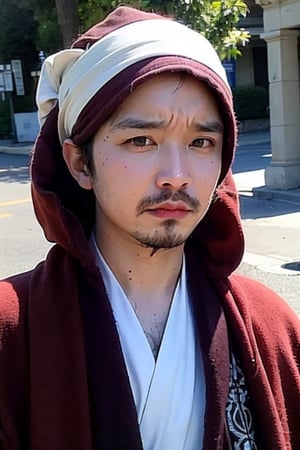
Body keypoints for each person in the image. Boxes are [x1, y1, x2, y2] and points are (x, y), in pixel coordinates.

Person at [0, 6, 299, 450]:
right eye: (141, 140)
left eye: (201, 142)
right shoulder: (11, 332)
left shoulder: (270, 327)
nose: (176, 175)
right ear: (79, 162)